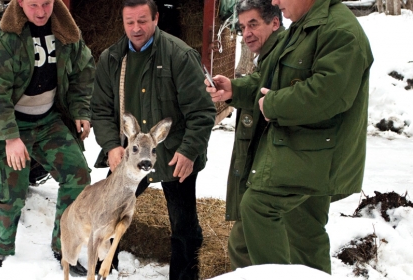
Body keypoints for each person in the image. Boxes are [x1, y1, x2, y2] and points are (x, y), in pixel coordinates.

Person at [206, 0, 373, 274]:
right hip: (304, 150)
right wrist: (235, 90)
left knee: (258, 207)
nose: (275, 1)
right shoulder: (304, 27)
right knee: (305, 235)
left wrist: (274, 106)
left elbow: (329, 94)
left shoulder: (341, 31)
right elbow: (269, 81)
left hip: (314, 152)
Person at [0, 0, 95, 275]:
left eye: (46, 3)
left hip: (48, 120)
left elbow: (84, 70)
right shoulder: (3, 37)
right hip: (11, 122)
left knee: (78, 175)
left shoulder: (66, 31)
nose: (41, 11)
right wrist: (10, 137)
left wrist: (81, 110)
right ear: (20, 2)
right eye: (33, 4)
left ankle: (64, 247)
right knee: (11, 192)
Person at [91, 0, 216, 279]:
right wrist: (112, 146)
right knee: (107, 212)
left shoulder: (180, 55)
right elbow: (99, 109)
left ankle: (184, 275)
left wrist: (189, 151)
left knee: (183, 224)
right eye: (130, 22)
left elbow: (202, 111)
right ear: (122, 22)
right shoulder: (111, 59)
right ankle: (103, 269)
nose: (136, 28)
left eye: (142, 20)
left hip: (173, 153)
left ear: (156, 18)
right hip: (131, 155)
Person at [223, 0, 284, 270]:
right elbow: (259, 84)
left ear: (275, 22)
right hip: (269, 167)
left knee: (246, 243)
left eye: (253, 24)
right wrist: (233, 89)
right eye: (242, 26)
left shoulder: (283, 52)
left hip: (278, 168)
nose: (246, 33)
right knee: (241, 242)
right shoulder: (270, 55)